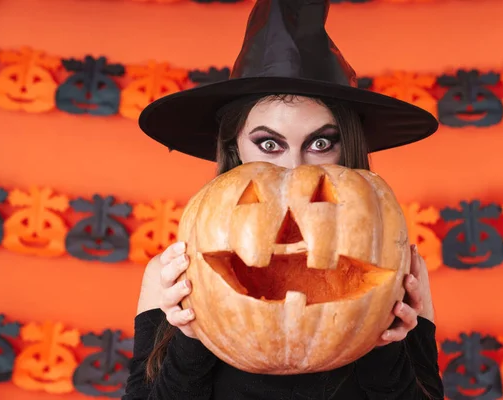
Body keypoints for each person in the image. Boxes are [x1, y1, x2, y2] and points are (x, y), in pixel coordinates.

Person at [123, 0, 444, 399]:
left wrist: (385, 346)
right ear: (235, 146)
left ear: (348, 147)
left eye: (320, 143)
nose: (295, 168)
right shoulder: (172, 273)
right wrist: (192, 336)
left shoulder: (397, 265)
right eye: (270, 143)